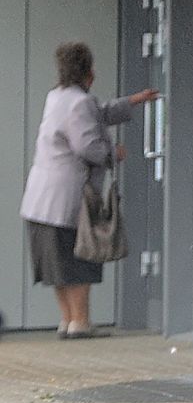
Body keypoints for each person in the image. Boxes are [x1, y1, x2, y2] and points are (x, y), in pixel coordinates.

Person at [20, 42, 157, 339]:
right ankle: (80, 322)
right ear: (89, 73)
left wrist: (132, 101)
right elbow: (86, 145)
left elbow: (97, 112)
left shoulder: (57, 97)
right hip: (67, 198)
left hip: (41, 198)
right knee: (79, 258)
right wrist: (113, 152)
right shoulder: (80, 103)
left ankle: (68, 320)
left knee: (56, 262)